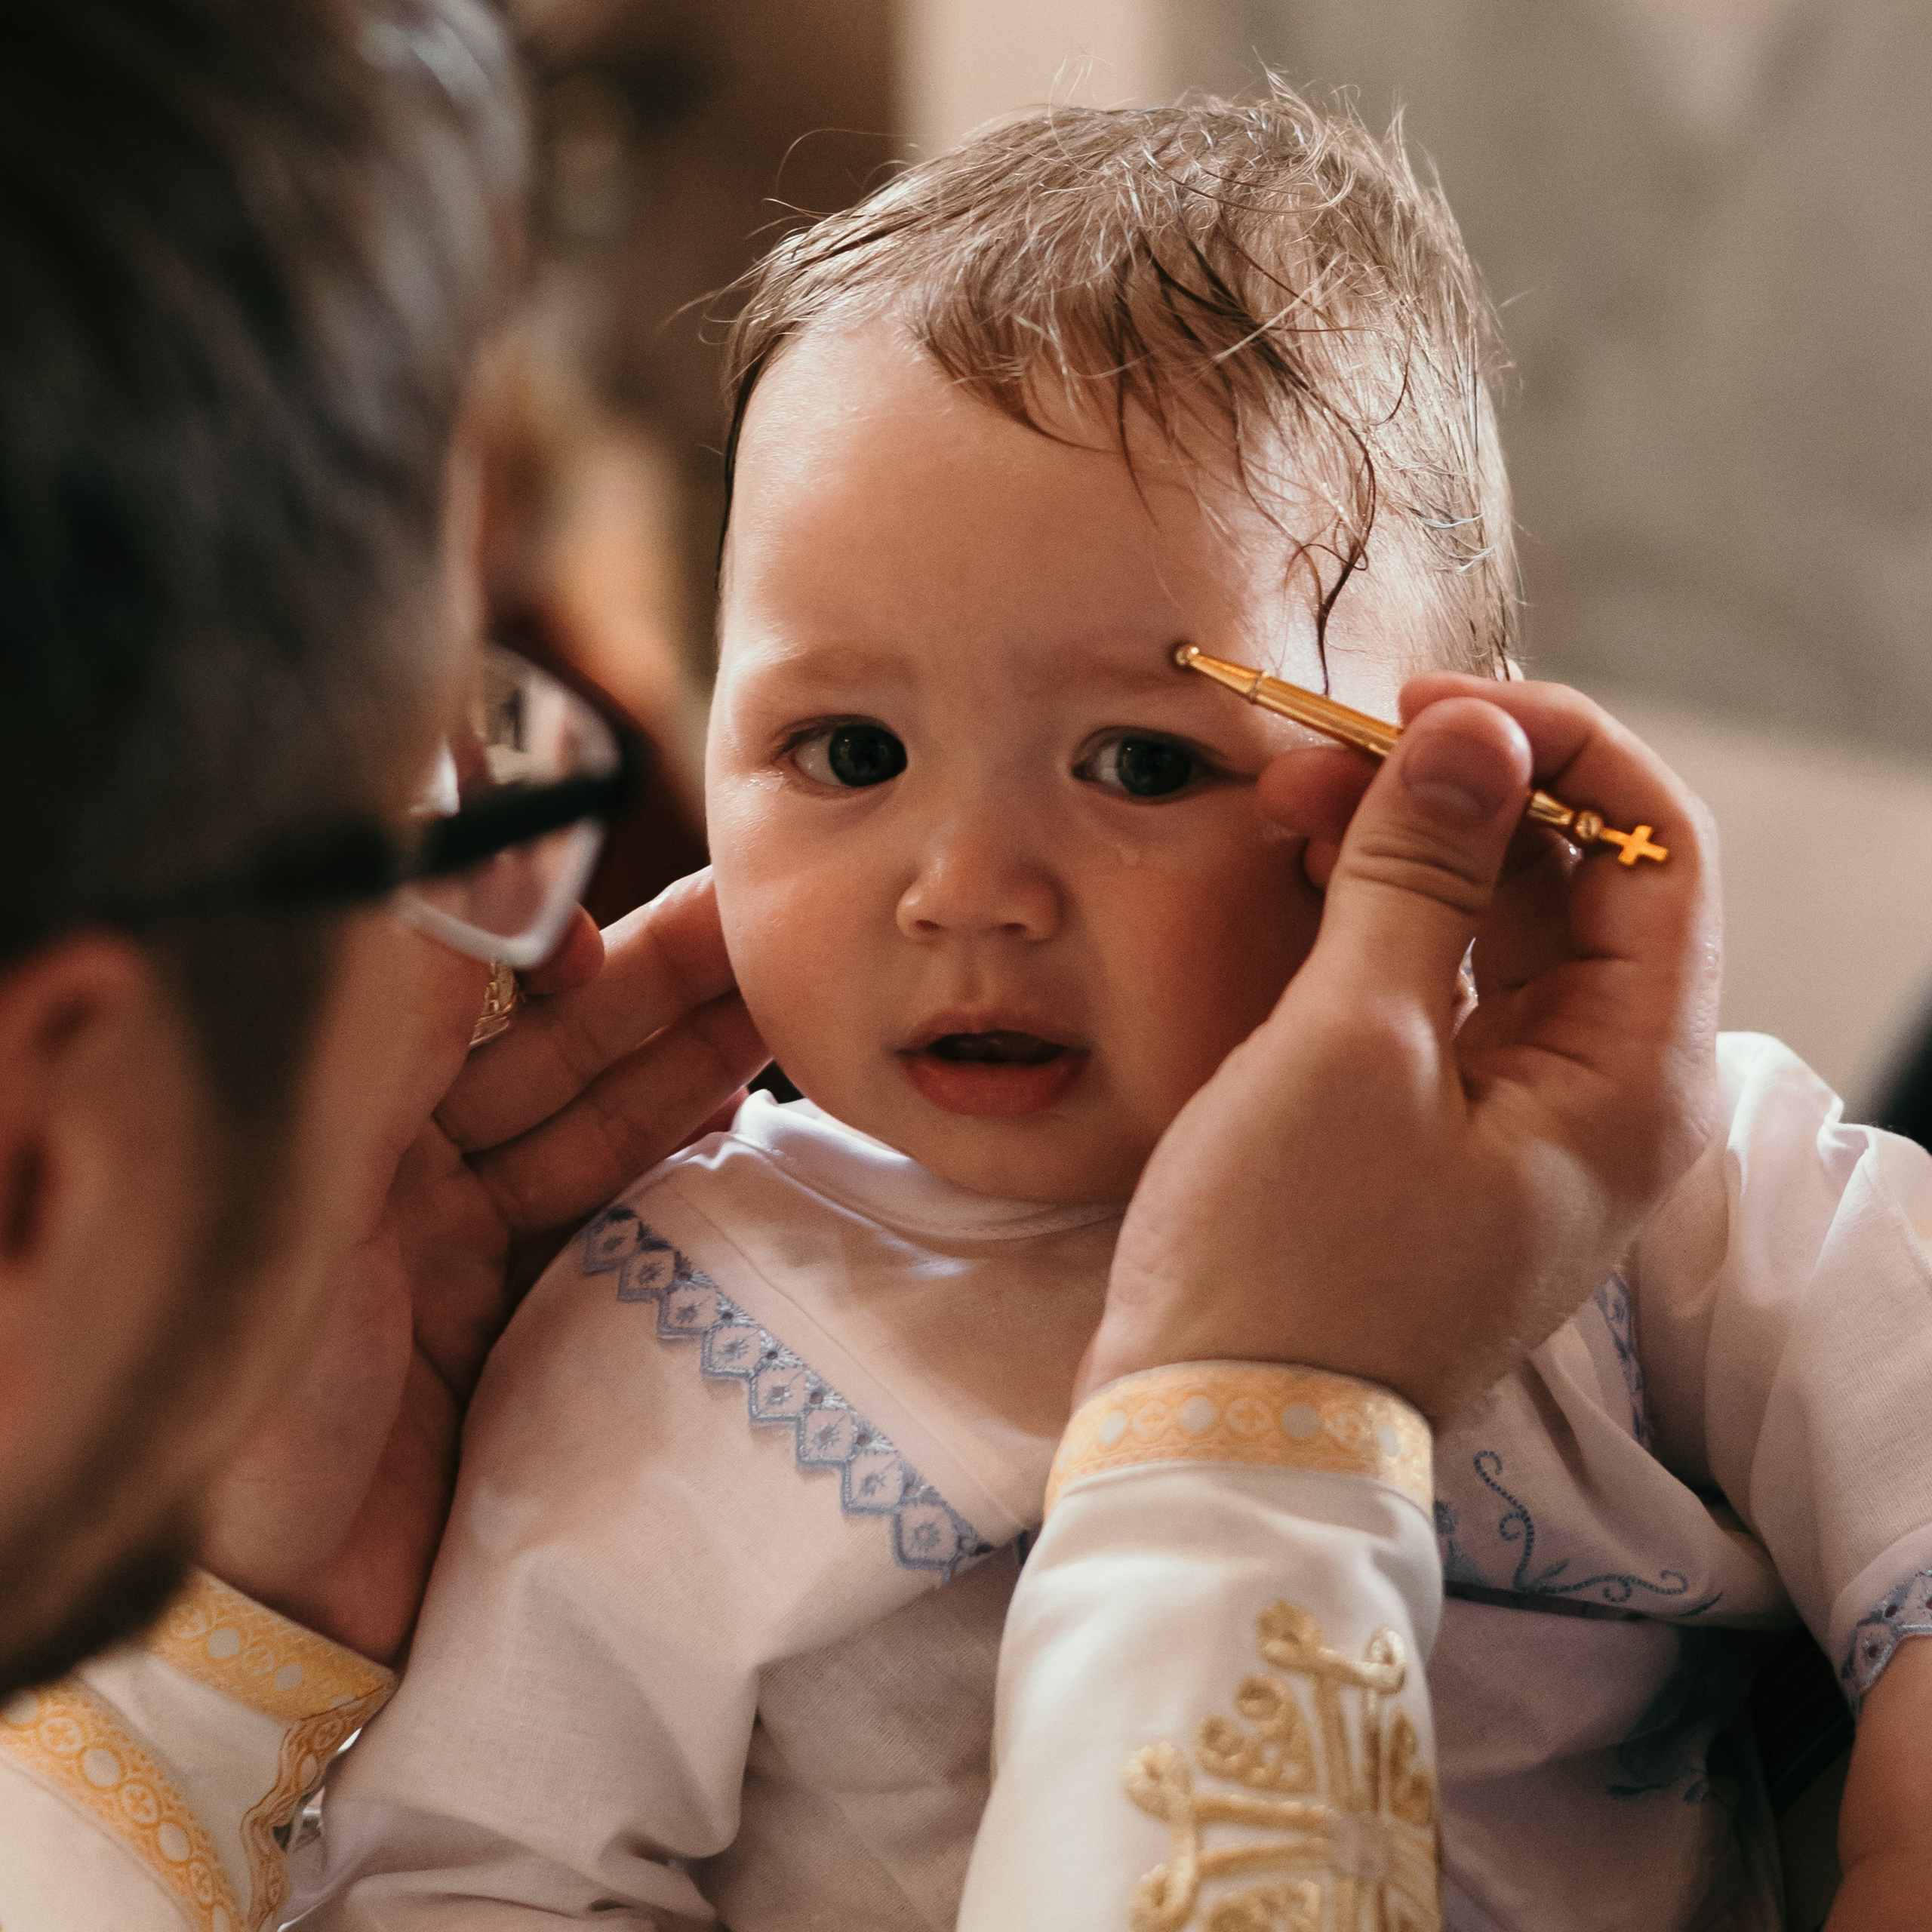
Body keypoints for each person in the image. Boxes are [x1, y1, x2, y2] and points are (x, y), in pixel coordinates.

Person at [0, 11, 1730, 1930]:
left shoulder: (1638, 1154)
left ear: (1450, 772)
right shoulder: (666, 1327)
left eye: (1141, 760)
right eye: (846, 749)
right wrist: (1261, 1418)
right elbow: (467, 1878)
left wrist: (212, 1667)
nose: (962, 889)